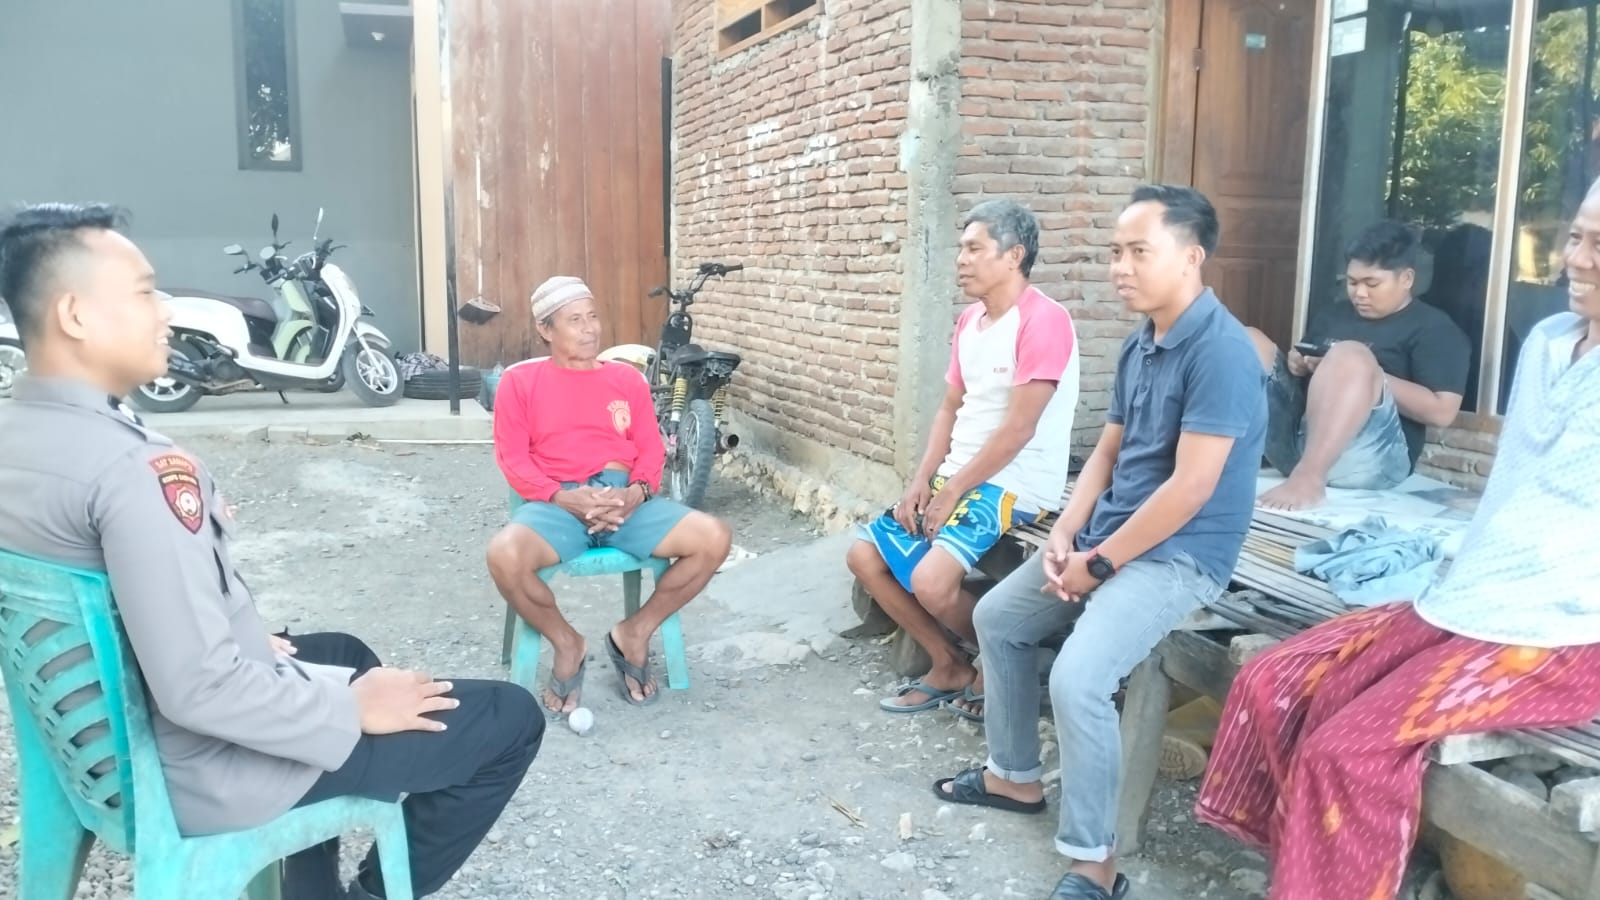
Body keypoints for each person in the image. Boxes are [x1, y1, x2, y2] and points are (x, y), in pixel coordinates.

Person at [0, 202, 543, 900]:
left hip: (96, 742)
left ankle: (307, 887)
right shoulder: (135, 471)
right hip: (189, 766)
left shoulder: (19, 432)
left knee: (342, 651)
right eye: (144, 293)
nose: (166, 311)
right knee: (508, 720)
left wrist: (252, 641)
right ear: (75, 315)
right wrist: (347, 710)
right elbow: (200, 689)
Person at [1195, 180, 1600, 900]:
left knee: (1344, 753)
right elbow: (1515, 478)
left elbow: (1442, 411)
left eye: (1599, 245)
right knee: (1278, 679)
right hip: (1475, 590)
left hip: (1564, 629)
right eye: (1575, 237)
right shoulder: (1548, 342)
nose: (1575, 258)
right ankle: (1302, 857)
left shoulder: (1433, 331)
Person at [931, 185, 1267, 900]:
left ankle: (1095, 864)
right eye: (1116, 251)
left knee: (1079, 679)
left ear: (1191, 257)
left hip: (1180, 554)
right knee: (998, 618)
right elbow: (1108, 452)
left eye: (1140, 251)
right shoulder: (1141, 342)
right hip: (1107, 537)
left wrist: (1102, 561)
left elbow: (1190, 488)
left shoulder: (1222, 352)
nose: (1121, 267)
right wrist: (1066, 531)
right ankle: (1013, 777)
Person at [846, 198, 1079, 724]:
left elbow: (1018, 429)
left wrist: (952, 491)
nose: (962, 259)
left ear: (1014, 255)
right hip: (960, 476)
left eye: (975, 248)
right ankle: (949, 663)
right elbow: (950, 407)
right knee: (865, 556)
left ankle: (1002, 662)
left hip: (1016, 481)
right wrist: (923, 479)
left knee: (932, 581)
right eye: (961, 248)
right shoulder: (971, 321)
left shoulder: (1044, 321)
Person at [486, 275, 733, 713]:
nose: (590, 329)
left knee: (713, 537)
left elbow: (651, 449)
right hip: (557, 504)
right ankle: (567, 643)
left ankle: (634, 633)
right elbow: (513, 459)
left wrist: (638, 492)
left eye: (593, 317)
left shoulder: (626, 379)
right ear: (545, 329)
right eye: (575, 320)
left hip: (625, 501)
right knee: (504, 555)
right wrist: (562, 498)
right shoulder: (520, 382)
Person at [1254, 220, 1472, 511]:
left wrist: (1366, 375)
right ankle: (1217, 454)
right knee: (1247, 341)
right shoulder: (1333, 315)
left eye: (1372, 284)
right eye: (1352, 282)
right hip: (1297, 444)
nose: (1359, 293)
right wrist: (1298, 363)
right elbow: (1304, 371)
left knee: (1351, 354)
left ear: (1406, 279)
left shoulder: (1435, 329)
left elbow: (1442, 412)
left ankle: (1309, 479)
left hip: (1372, 460)